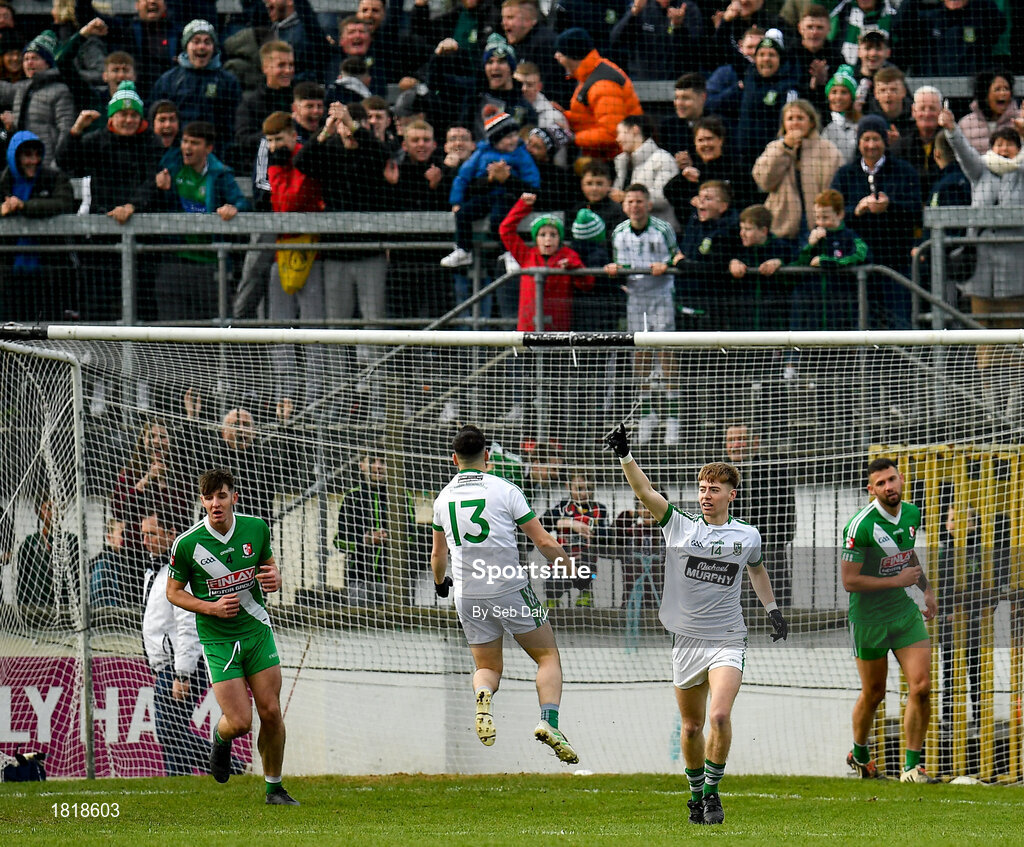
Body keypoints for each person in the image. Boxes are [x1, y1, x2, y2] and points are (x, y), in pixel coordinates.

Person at [603, 422, 788, 826]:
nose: (706, 495)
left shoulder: (748, 536)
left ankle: (713, 795)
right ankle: (694, 795)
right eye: (703, 488)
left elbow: (756, 571)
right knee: (691, 727)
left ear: (730, 495)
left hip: (727, 639)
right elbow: (645, 492)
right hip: (686, 640)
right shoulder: (680, 525)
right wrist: (625, 455)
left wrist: (772, 609)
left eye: (714, 489)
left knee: (719, 716)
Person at [429, 424, 580, 764]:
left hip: (467, 594)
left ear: (454, 459)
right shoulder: (505, 489)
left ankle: (483, 695)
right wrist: (573, 572)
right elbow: (542, 541)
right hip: (507, 585)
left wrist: (441, 584)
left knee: (487, 667)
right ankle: (549, 722)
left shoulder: (442, 499)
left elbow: (438, 557)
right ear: (487, 456)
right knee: (547, 657)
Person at [166, 467, 299, 805]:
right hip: (218, 640)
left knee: (270, 712)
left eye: (221, 496)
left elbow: (269, 567)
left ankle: (275, 788)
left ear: (233, 498)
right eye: (208, 498)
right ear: (202, 502)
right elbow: (173, 592)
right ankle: (221, 738)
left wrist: (275, 579)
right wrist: (210, 608)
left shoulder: (256, 528)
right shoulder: (187, 544)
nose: (215, 503)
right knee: (239, 722)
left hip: (256, 630)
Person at [841, 457, 938, 783]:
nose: (889, 486)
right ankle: (860, 753)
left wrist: (926, 589)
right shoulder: (860, 526)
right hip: (868, 620)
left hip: (902, 613)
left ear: (901, 479)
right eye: (881, 483)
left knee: (922, 687)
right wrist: (899, 580)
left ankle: (912, 767)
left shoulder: (911, 513)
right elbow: (849, 581)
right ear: (872, 489)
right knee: (874, 693)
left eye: (892, 479)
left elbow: (905, 553)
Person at [133, 121, 250, 322]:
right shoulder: (170, 169)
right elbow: (152, 202)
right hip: (174, 261)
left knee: (212, 331)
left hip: (211, 264)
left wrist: (234, 208)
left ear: (208, 148)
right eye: (185, 141)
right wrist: (158, 188)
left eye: (194, 143)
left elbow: (241, 201)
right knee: (173, 331)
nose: (187, 147)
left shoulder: (220, 174)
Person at [606, 183, 683, 446]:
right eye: (630, 201)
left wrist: (668, 264)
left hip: (661, 296)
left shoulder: (663, 229)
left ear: (648, 204)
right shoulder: (618, 232)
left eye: (640, 201)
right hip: (636, 298)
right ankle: (647, 415)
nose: (635, 206)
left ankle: (673, 418)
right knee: (640, 355)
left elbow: (677, 257)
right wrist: (615, 270)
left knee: (666, 352)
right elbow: (619, 264)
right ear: (624, 205)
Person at [829, 114, 921, 328]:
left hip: (896, 261)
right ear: (859, 142)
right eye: (866, 139)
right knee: (862, 324)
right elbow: (833, 214)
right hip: (856, 262)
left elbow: (916, 211)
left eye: (876, 139)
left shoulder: (904, 171)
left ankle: (902, 362)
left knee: (899, 323)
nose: (871, 145)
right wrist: (857, 210)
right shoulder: (845, 174)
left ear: (885, 141)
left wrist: (891, 206)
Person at [141, 509, 212, 776]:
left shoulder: (181, 572)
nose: (146, 540)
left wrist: (183, 673)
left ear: (171, 535)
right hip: (165, 666)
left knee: (170, 733)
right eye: (143, 534)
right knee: (173, 734)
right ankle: (179, 785)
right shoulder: (154, 573)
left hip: (181, 666)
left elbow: (188, 625)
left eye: (152, 534)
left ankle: (232, 765)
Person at [440, 110, 539, 269]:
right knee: (463, 214)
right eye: (508, 137)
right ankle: (463, 250)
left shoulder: (521, 153)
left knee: (498, 221)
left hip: (507, 197)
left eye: (514, 134)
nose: (514, 139)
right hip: (486, 196)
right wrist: (457, 201)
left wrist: (509, 179)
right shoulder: (481, 154)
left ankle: (508, 252)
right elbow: (463, 178)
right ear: (496, 140)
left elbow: (531, 178)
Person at [0, 131, 77, 322]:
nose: (33, 161)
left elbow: (64, 202)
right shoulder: (3, 182)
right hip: (9, 274)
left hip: (48, 273)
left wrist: (24, 206)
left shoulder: (54, 178)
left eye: (37, 154)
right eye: (27, 155)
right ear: (15, 157)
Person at [752, 98, 842, 241]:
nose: (795, 123)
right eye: (790, 119)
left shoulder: (828, 150)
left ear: (811, 122)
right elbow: (764, 181)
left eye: (800, 118)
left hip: (818, 226)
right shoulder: (774, 148)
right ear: (784, 124)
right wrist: (786, 148)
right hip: (781, 227)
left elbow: (835, 190)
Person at [150, 20, 242, 157]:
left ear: (214, 47)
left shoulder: (228, 82)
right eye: (196, 41)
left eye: (207, 42)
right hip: (176, 154)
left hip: (215, 155)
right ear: (186, 46)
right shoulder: (168, 80)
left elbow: (233, 122)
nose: (202, 47)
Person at [552, 26, 642, 161]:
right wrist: (565, 117)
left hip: (618, 160)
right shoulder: (590, 73)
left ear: (572, 56)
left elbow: (611, 134)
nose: (557, 57)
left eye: (561, 54)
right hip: (606, 157)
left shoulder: (603, 85)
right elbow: (589, 117)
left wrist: (573, 138)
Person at [791, 187, 869, 331]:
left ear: (840, 214)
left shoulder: (850, 237)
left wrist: (827, 262)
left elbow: (860, 256)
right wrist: (810, 246)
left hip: (842, 307)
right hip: (811, 309)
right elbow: (796, 263)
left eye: (825, 217)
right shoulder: (809, 236)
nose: (820, 222)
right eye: (817, 217)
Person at [0, 31, 75, 170]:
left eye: (34, 58)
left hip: (47, 165)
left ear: (47, 63)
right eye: (26, 59)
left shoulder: (60, 90)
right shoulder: (22, 88)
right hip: (21, 165)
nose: (29, 62)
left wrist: (57, 161)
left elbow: (66, 129)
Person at [663, 115, 759, 220]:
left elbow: (748, 202)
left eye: (710, 139)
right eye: (700, 140)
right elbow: (669, 193)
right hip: (695, 230)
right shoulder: (693, 170)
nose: (705, 144)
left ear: (720, 140)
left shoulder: (736, 169)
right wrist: (683, 178)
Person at [542, 469, 607, 608]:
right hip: (563, 556)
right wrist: (569, 523)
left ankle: (585, 594)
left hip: (585, 556)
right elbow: (542, 524)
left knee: (589, 567)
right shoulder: (562, 507)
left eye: (588, 489)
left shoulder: (599, 509)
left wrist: (593, 531)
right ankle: (552, 598)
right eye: (579, 488)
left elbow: (604, 535)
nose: (584, 493)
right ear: (568, 487)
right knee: (552, 575)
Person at [726, 204, 798, 331]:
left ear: (764, 231)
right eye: (741, 228)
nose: (742, 233)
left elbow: (798, 265)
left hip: (774, 321)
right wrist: (732, 262)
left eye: (748, 229)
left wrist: (780, 263)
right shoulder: (737, 249)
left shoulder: (783, 248)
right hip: (744, 321)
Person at [334, 450, 389, 606]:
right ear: (362, 466)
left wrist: (391, 539)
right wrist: (365, 540)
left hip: (395, 582)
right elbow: (339, 542)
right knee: (359, 626)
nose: (377, 466)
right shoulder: (352, 498)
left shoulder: (402, 497)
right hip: (358, 580)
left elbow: (413, 537)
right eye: (372, 461)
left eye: (382, 461)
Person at [612, 114, 680, 230]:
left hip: (659, 232)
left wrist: (626, 197)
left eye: (620, 133)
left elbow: (665, 198)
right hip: (628, 231)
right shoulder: (621, 162)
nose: (617, 139)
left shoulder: (663, 159)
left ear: (635, 130)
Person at [608, 0, 704, 82]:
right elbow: (615, 40)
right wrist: (633, 13)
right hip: (643, 83)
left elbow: (696, 50)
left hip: (678, 83)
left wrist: (679, 27)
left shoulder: (688, 8)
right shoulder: (642, 7)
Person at [890, 84, 943, 202]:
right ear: (913, 111)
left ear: (941, 111)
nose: (927, 114)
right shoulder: (901, 144)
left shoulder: (949, 142)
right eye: (922, 108)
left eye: (932, 108)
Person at [956, 71, 1021, 156]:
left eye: (1006, 89)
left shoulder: (1019, 121)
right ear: (985, 94)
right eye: (997, 89)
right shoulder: (965, 124)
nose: (1003, 93)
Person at [821, 64, 861, 164]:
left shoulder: (859, 124)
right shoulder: (821, 121)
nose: (838, 97)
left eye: (844, 92)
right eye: (834, 92)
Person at [89, 517, 128, 607]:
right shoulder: (105, 562)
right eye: (122, 534)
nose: (125, 538)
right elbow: (99, 595)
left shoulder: (123, 560)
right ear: (110, 537)